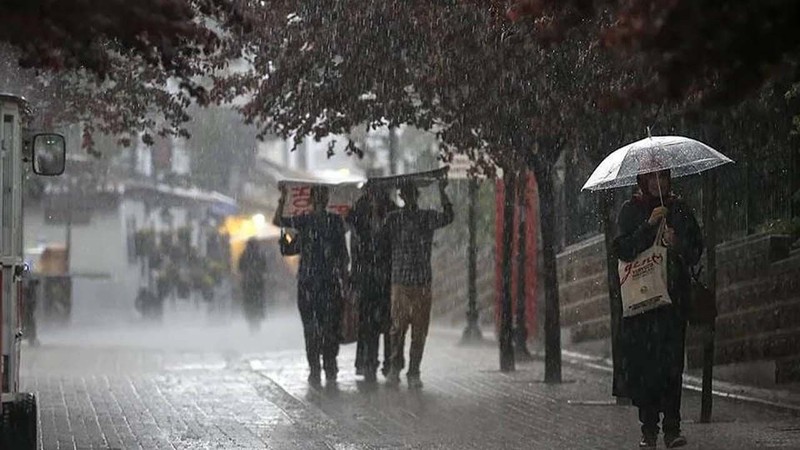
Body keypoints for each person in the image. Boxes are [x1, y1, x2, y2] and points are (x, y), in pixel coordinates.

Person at [613, 169, 703, 449]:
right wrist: (648, 226)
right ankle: (648, 429)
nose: (657, 183)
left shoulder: (679, 209)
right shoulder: (631, 210)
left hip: (672, 303)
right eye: (650, 178)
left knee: (672, 367)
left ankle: (672, 428)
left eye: (661, 177)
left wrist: (678, 244)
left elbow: (695, 250)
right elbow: (623, 249)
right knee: (646, 368)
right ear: (642, 181)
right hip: (642, 304)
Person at [273, 185, 349, 386]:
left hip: (318, 283)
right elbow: (343, 256)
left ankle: (322, 367)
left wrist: (283, 199)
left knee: (320, 328)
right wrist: (283, 198)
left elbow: (342, 254)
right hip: (317, 283)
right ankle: (323, 367)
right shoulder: (319, 222)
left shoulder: (322, 222)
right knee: (321, 328)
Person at [384, 178, 454, 389]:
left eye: (411, 193)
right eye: (405, 194)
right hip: (401, 281)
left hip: (421, 281)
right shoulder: (393, 219)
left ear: (415, 195)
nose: (409, 197)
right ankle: (396, 367)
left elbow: (448, 216)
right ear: (402, 197)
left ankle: (414, 370)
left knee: (419, 331)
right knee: (398, 328)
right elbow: (379, 236)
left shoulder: (426, 217)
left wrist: (443, 192)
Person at [347, 186, 398, 383]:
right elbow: (356, 243)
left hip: (385, 278)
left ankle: (387, 362)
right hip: (367, 278)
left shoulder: (391, 212)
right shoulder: (360, 212)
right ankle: (370, 362)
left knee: (386, 323)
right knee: (369, 324)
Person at [238, 238, 268, 331]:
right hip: (258, 283)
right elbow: (265, 268)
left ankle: (251, 322)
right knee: (257, 303)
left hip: (248, 283)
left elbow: (240, 268)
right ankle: (257, 321)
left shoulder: (244, 254)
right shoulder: (260, 254)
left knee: (249, 303)